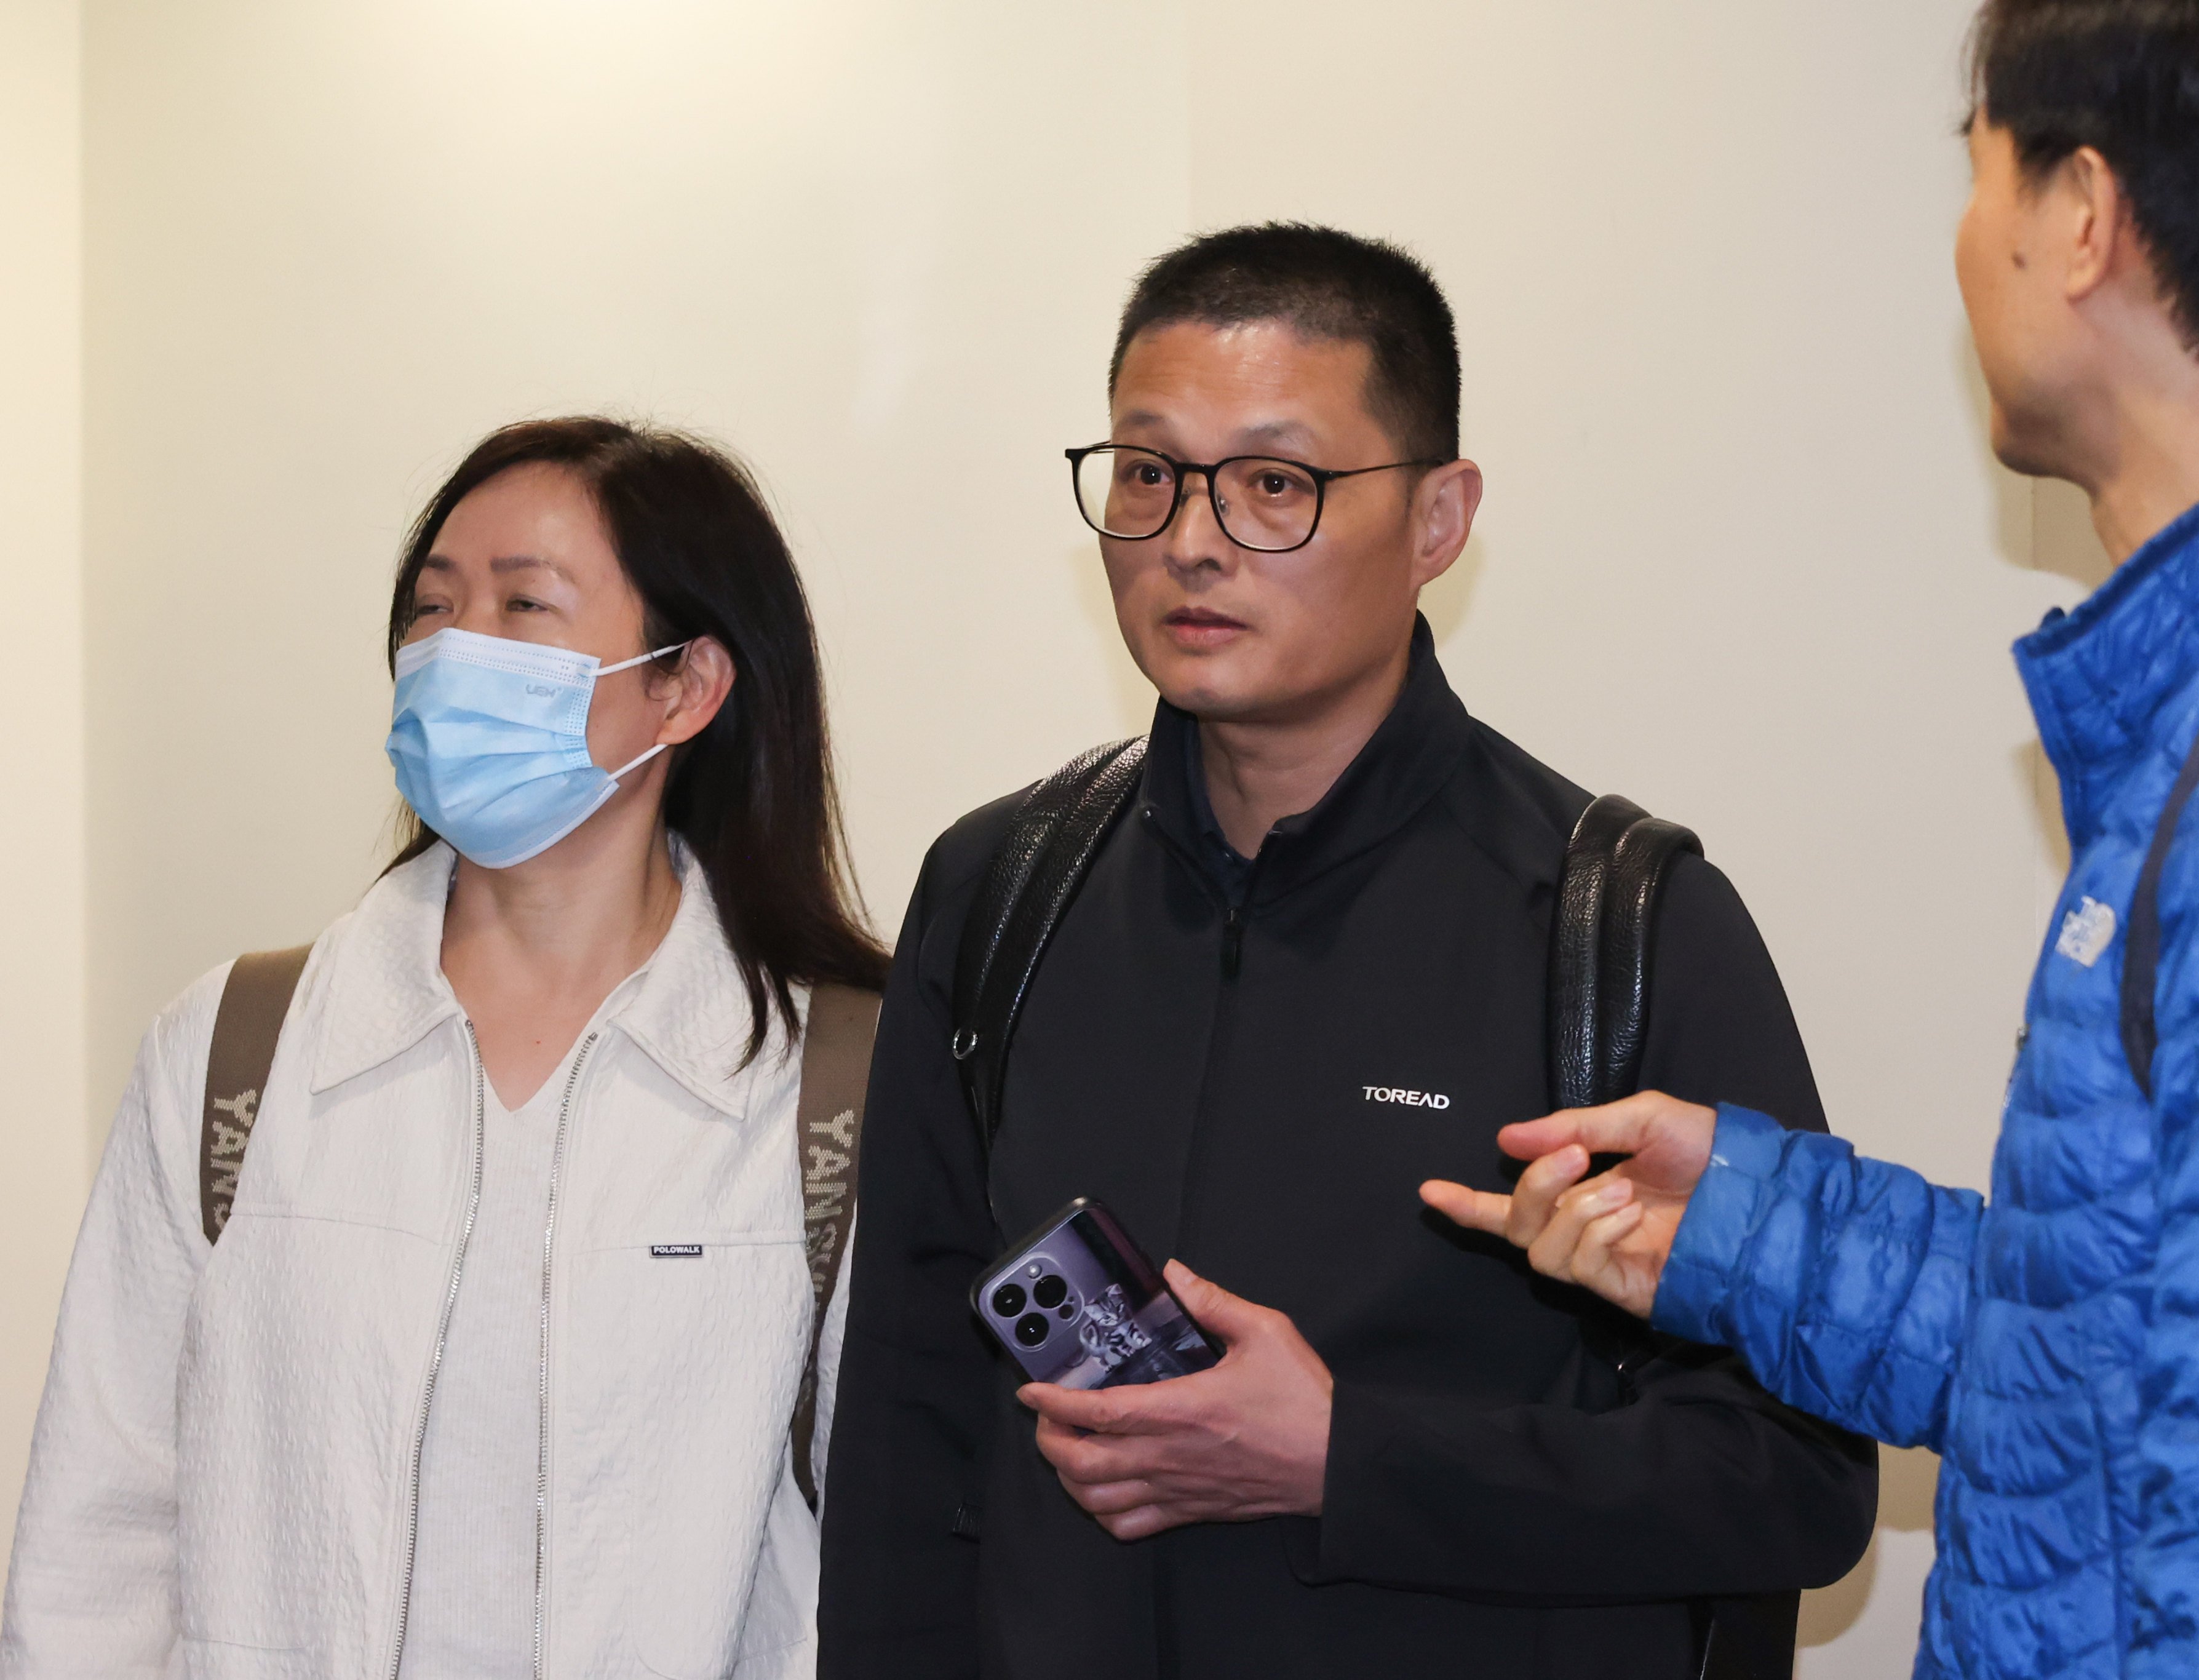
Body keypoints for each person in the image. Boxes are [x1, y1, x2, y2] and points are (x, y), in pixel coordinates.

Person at [1425, 2, 2199, 1676]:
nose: (1965, 244)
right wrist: (1739, 1225)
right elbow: (2109, 1379)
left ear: (2081, 217)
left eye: (1982, 179)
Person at [821, 224, 1876, 1680]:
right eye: (1146, 474)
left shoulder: (1618, 923)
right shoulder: (1000, 891)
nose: (1190, 539)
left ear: (1437, 520)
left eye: (1273, 484)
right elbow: (902, 1431)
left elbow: (1796, 1478)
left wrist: (1347, 1458)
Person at [1, 418, 890, 1679]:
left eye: (524, 605)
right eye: (430, 610)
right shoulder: (233, 1055)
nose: (451, 652)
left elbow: (892, 1557)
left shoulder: (828, 1092)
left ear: (683, 686)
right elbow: (98, 1539)